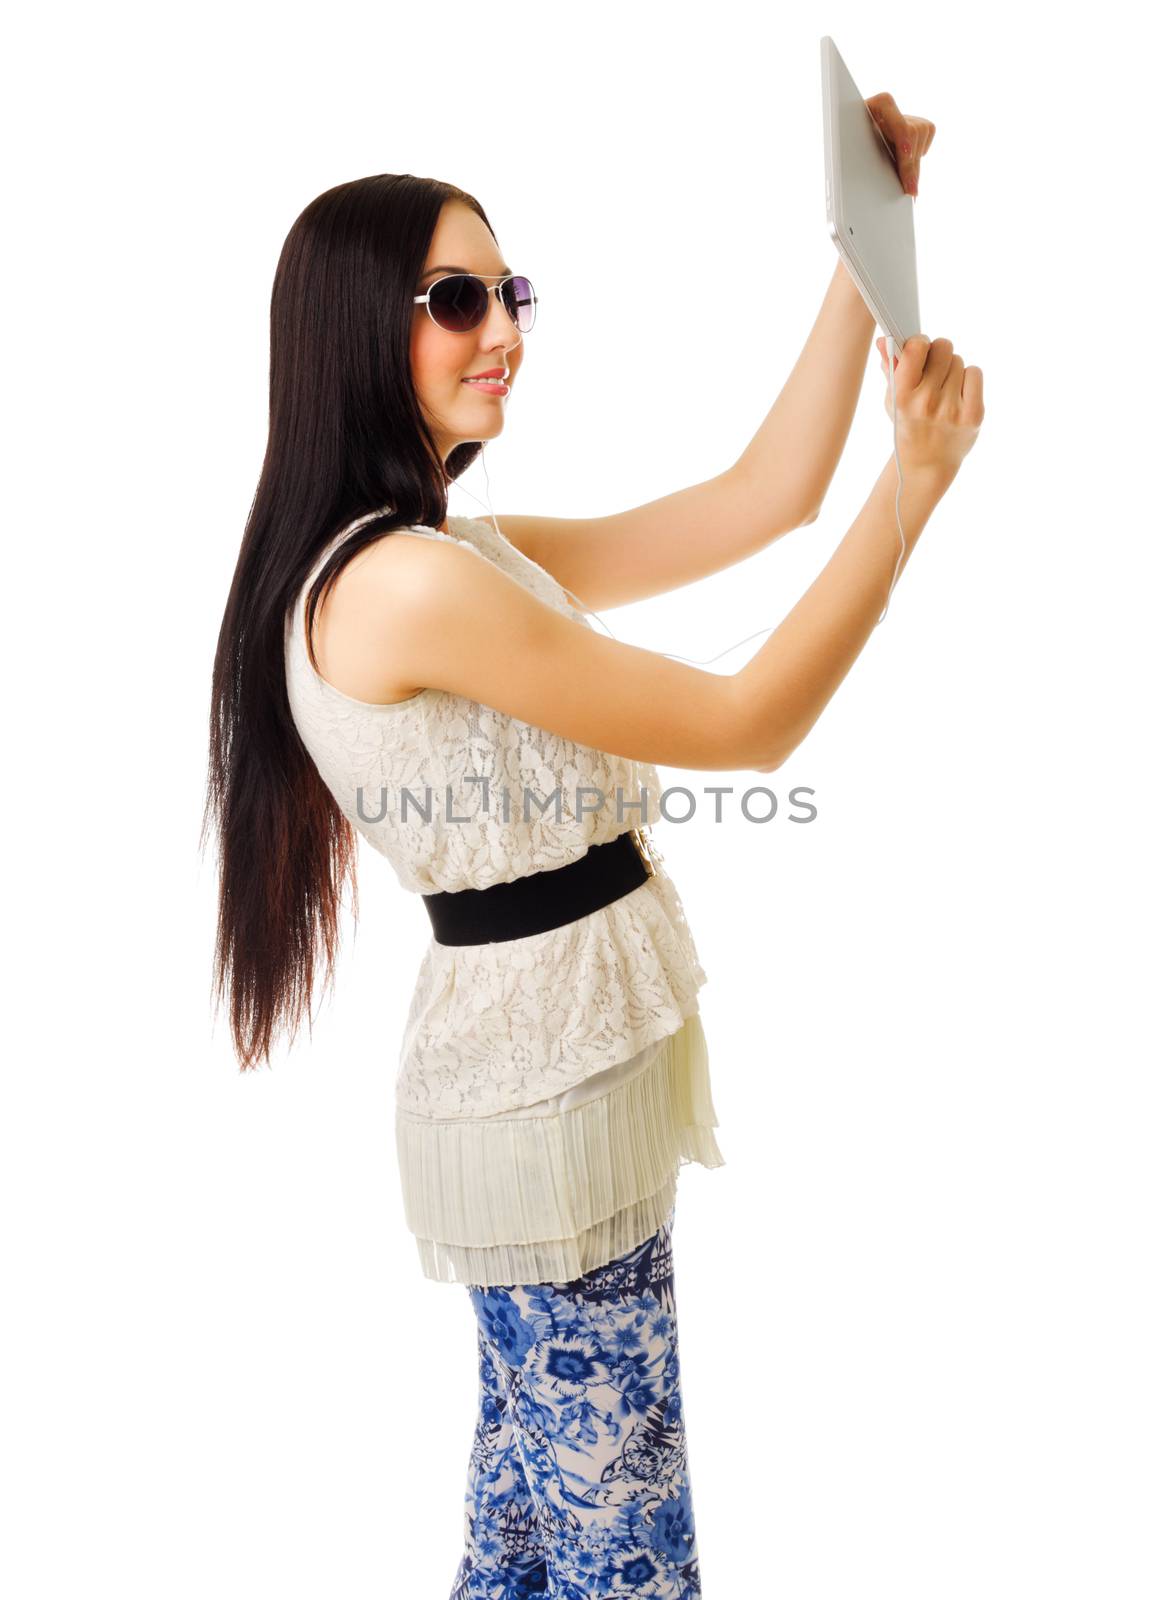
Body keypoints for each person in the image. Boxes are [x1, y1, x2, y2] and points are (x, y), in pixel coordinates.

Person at [204, 172, 983, 1597]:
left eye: (510, 293)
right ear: (348, 334)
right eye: (456, 299)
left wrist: (862, 246)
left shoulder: (446, 556)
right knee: (625, 1559)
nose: (500, 326)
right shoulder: (404, 589)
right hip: (540, 1107)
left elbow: (761, 500)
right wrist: (915, 489)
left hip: (551, 1089)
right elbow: (747, 723)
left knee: (525, 1541)